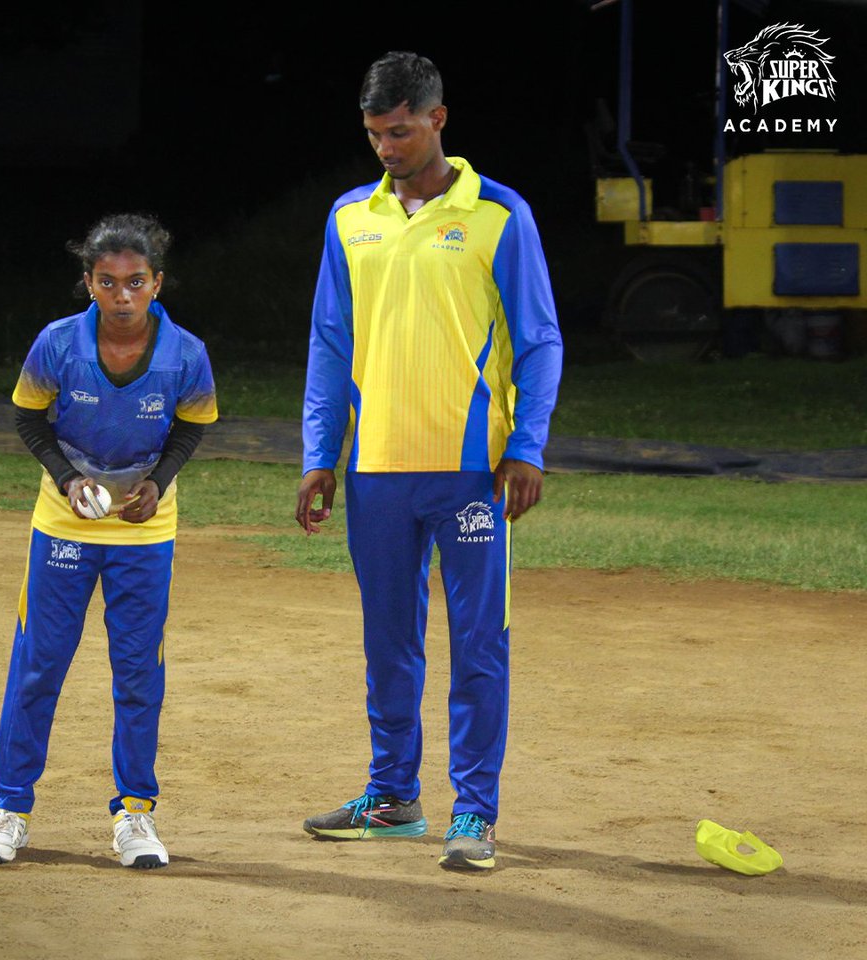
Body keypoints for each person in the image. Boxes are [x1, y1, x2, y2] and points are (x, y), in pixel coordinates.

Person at [295, 52, 562, 870]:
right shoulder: (350, 217)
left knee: (479, 643)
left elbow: (540, 340)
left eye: (400, 130)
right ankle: (393, 799)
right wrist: (319, 456)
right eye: (375, 133)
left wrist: (526, 446)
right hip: (376, 473)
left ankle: (474, 815)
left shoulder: (499, 215)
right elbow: (329, 346)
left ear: (438, 119)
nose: (386, 146)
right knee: (389, 644)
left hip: (471, 474)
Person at [0, 213, 218, 869]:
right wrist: (67, 477)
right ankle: (9, 809)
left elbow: (190, 429)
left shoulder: (185, 355)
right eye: (108, 283)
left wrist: (158, 483)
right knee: (39, 664)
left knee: (139, 674)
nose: (123, 296)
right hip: (63, 525)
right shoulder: (57, 344)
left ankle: (135, 816)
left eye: (136, 282)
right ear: (88, 284)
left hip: (145, 531)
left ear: (157, 283)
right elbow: (29, 418)